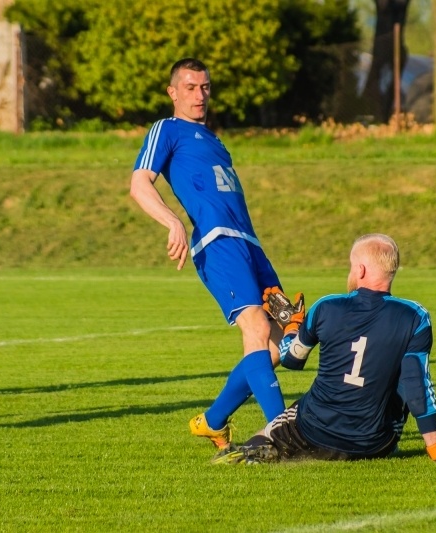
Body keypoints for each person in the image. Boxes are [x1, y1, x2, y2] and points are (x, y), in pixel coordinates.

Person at [130, 58, 289, 449]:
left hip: (251, 246)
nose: (199, 95)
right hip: (219, 244)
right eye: (189, 87)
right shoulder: (166, 130)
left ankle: (213, 420)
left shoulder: (215, 141)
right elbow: (138, 183)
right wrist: (172, 222)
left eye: (204, 87)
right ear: (173, 92)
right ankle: (282, 433)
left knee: (284, 337)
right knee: (254, 327)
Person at [213, 234, 436, 464]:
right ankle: (388, 443)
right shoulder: (415, 316)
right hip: (376, 442)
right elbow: (417, 386)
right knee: (402, 378)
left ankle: (251, 450)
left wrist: (291, 327)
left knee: (274, 427)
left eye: (352, 267)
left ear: (362, 270)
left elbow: (292, 359)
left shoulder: (326, 306)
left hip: (314, 430)